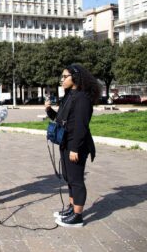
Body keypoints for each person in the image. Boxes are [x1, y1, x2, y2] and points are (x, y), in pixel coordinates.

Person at [46, 64, 100, 228]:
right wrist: (49, 110)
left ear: (75, 77)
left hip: (76, 145)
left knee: (76, 180)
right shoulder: (70, 95)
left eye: (65, 77)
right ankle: (71, 208)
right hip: (65, 142)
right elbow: (62, 119)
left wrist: (75, 148)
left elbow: (81, 127)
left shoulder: (82, 98)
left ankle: (78, 216)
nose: (62, 80)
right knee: (69, 178)